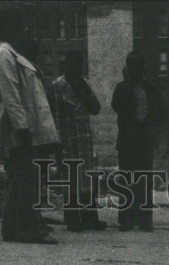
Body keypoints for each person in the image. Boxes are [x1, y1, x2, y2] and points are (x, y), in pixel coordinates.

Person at [0, 7, 59, 245]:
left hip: (26, 130)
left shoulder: (15, 56)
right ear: (10, 29)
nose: (24, 31)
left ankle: (11, 229)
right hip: (20, 132)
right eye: (21, 27)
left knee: (18, 180)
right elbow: (12, 97)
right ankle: (29, 231)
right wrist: (22, 129)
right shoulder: (4, 56)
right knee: (26, 182)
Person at [50, 51, 106, 231]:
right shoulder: (58, 86)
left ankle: (90, 218)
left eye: (79, 65)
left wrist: (87, 92)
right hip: (68, 140)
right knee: (71, 180)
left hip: (84, 139)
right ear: (65, 66)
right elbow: (56, 118)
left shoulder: (84, 84)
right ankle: (73, 220)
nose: (77, 69)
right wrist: (58, 144)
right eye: (73, 65)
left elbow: (96, 109)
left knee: (87, 180)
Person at [110, 52, 166, 232]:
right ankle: (126, 220)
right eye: (131, 67)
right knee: (127, 181)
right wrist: (128, 83)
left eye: (137, 67)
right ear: (128, 68)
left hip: (144, 142)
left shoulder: (151, 89)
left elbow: (162, 112)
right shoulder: (122, 88)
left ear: (143, 69)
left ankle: (144, 220)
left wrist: (151, 127)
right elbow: (117, 105)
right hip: (127, 141)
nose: (135, 71)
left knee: (143, 181)